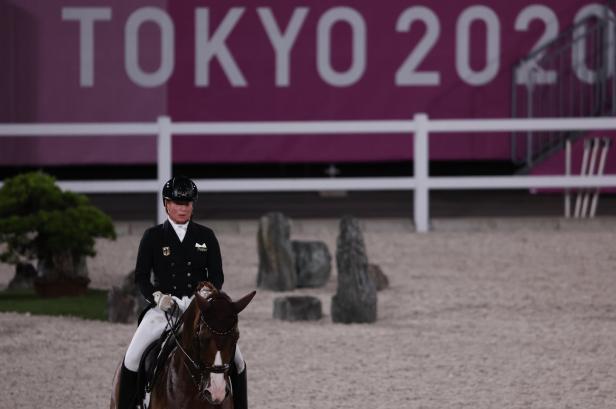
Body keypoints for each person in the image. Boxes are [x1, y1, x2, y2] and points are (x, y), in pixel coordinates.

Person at [116, 176, 248, 409]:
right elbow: (141, 277)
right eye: (177, 203)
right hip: (165, 307)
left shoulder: (206, 236)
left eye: (187, 204)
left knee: (238, 361)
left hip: (200, 307)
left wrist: (209, 291)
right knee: (132, 358)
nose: (182, 208)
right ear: (166, 204)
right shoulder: (153, 236)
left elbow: (217, 274)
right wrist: (158, 297)